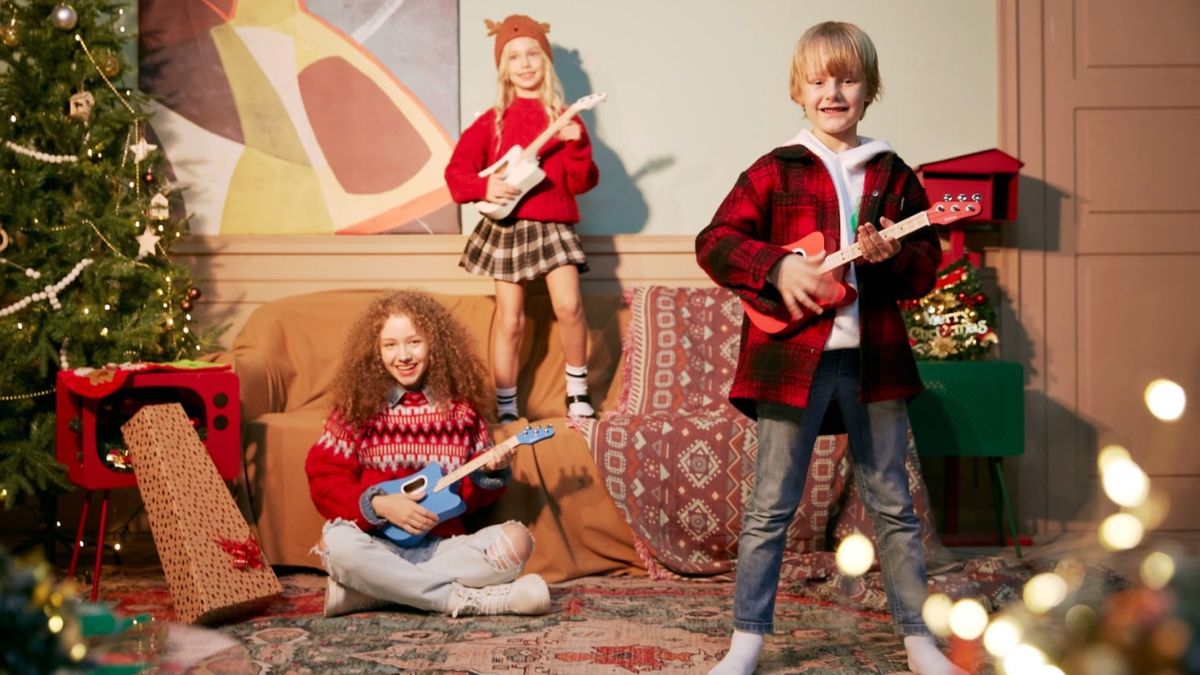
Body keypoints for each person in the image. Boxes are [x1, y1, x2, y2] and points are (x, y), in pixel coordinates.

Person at [695, 21, 967, 675]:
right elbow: (715, 241)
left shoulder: (893, 171)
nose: (833, 91)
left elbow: (924, 269)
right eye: (818, 80)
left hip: (872, 358)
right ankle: (747, 641)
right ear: (799, 89)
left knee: (893, 501)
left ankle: (918, 640)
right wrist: (776, 267)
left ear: (869, 88)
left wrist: (893, 253)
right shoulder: (772, 169)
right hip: (791, 359)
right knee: (770, 503)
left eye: (846, 78)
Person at [305, 290, 551, 618]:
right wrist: (376, 504)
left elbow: (472, 499)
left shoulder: (462, 413)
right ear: (374, 351)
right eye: (390, 345)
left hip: (441, 548)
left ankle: (376, 592)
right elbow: (324, 480)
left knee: (518, 540)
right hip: (376, 545)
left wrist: (490, 474)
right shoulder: (353, 411)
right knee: (335, 542)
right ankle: (468, 600)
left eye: (414, 342)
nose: (403, 355)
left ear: (434, 344)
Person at [445, 14, 600, 423]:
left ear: (545, 61)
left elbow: (582, 182)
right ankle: (507, 405)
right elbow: (456, 175)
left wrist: (578, 144)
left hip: (554, 224)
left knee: (569, 306)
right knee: (510, 319)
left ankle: (577, 392)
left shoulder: (567, 117)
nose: (525, 63)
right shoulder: (490, 121)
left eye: (533, 53)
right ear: (503, 67)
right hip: (508, 226)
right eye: (514, 56)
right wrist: (485, 188)